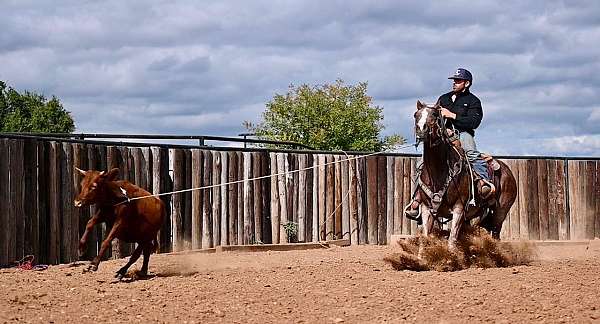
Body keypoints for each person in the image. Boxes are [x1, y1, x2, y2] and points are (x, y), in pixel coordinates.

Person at [405, 68, 494, 220]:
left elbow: (474, 122)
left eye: (458, 81)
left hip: (463, 134)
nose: (454, 83)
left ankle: (483, 183)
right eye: (454, 80)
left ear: (467, 83)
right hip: (443, 135)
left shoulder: (473, 101)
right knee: (422, 163)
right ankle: (417, 198)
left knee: (472, 154)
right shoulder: (444, 98)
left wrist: (452, 115)